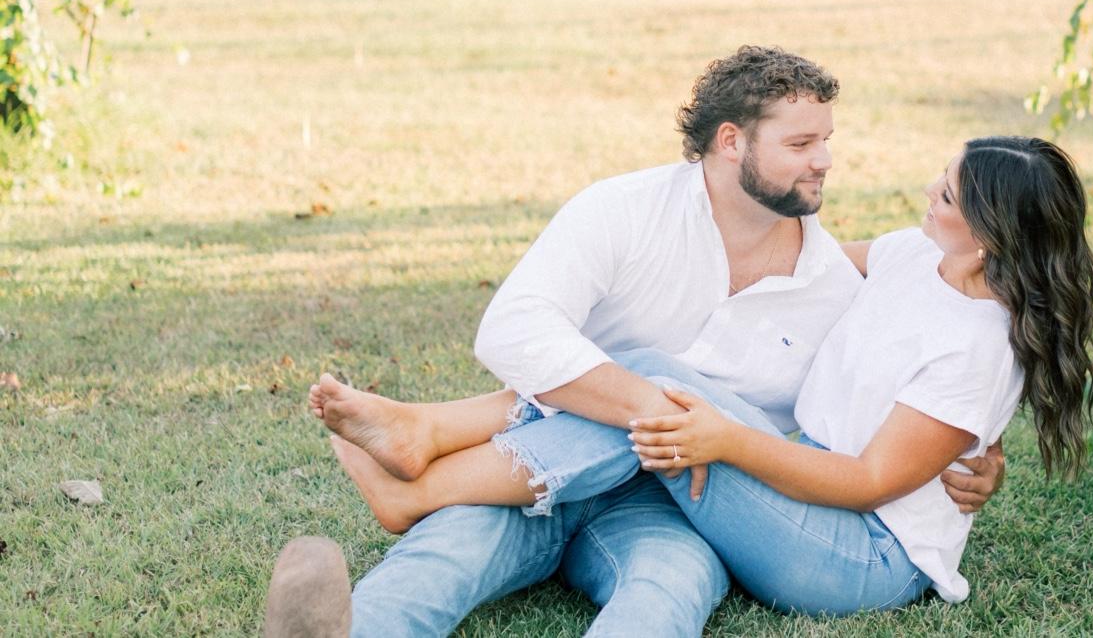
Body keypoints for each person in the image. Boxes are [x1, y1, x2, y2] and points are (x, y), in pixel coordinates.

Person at [263, 46, 1005, 637]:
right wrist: (646, 406)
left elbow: (927, 364)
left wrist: (979, 449)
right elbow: (513, 328)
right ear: (731, 142)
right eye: (801, 142)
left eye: (826, 141)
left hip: (681, 507)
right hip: (535, 469)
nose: (825, 161)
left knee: (666, 589)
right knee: (448, 553)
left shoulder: (835, 286)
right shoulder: (623, 213)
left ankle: (421, 461)